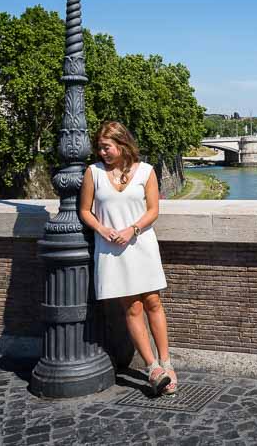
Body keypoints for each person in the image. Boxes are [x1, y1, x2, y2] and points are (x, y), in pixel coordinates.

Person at [78, 120, 177, 395]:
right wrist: (102, 229)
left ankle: (167, 362)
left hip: (141, 243)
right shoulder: (93, 173)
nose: (102, 153)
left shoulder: (146, 171)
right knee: (132, 307)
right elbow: (85, 211)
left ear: (122, 144)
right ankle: (153, 368)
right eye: (100, 148)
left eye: (106, 147)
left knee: (153, 302)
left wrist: (132, 229)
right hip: (112, 248)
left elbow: (153, 210)